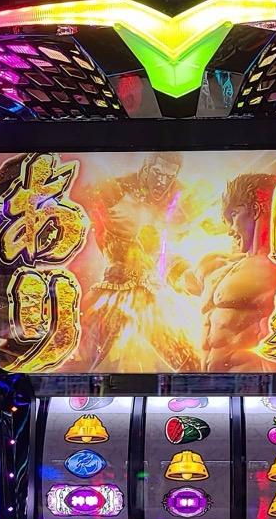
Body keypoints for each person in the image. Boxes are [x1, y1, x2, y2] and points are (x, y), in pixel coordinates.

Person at [78, 151, 202, 372]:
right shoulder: (114, 190)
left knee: (190, 365)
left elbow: (163, 253)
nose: (162, 181)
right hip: (113, 290)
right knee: (77, 359)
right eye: (157, 173)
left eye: (169, 176)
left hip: (148, 294)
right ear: (146, 168)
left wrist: (185, 276)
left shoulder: (175, 202)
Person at [167, 172, 276, 373]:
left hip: (255, 384)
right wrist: (163, 259)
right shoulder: (219, 265)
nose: (230, 230)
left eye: (234, 215)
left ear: (255, 210)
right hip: (208, 384)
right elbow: (187, 280)